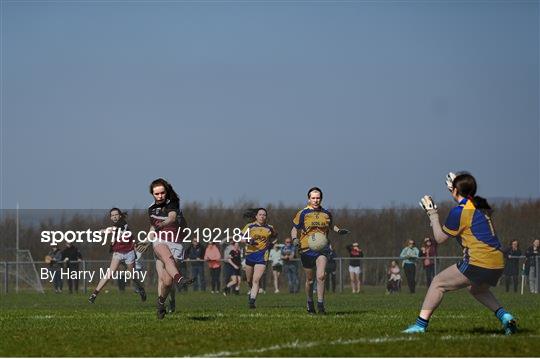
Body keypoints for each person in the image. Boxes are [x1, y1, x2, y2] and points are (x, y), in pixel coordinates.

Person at [403, 172, 517, 335]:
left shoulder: (460, 211)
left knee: (437, 283)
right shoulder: (481, 206)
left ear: (455, 190)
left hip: (479, 261)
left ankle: (420, 325)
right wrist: (459, 185)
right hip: (498, 261)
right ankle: (505, 317)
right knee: (477, 289)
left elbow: (440, 238)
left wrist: (432, 213)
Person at [291, 187, 350, 314]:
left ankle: (321, 304)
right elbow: (294, 228)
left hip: (322, 248)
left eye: (318, 198)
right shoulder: (303, 213)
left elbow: (331, 225)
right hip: (306, 249)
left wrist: (338, 230)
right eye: (313, 198)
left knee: (321, 276)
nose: (315, 200)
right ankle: (309, 302)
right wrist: (295, 239)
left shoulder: (326, 213)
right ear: (308, 199)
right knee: (310, 280)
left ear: (321, 199)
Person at [147, 178, 193, 319]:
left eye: (162, 193)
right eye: (156, 194)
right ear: (152, 194)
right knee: (166, 257)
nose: (160, 196)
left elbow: (172, 218)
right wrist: (147, 238)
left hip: (176, 244)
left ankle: (161, 302)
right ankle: (179, 279)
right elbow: (153, 227)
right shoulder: (150, 209)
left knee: (166, 282)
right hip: (160, 241)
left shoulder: (173, 203)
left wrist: (161, 225)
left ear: (166, 192)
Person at [88, 208, 147, 303]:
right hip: (118, 253)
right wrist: (112, 242)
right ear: (110, 217)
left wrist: (101, 231)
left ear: (120, 216)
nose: (114, 216)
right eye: (112, 215)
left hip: (129, 253)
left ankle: (141, 289)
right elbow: (114, 234)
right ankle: (94, 294)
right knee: (109, 273)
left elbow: (112, 230)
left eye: (116, 214)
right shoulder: (116, 226)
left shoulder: (122, 223)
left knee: (132, 276)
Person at [241, 208, 277, 308]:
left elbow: (275, 237)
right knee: (249, 280)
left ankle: (252, 301)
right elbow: (241, 238)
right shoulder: (250, 226)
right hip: (250, 254)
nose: (262, 216)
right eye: (260, 214)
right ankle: (252, 291)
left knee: (256, 280)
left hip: (262, 255)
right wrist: (249, 241)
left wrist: (271, 244)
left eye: (264, 215)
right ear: (256, 216)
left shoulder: (270, 228)